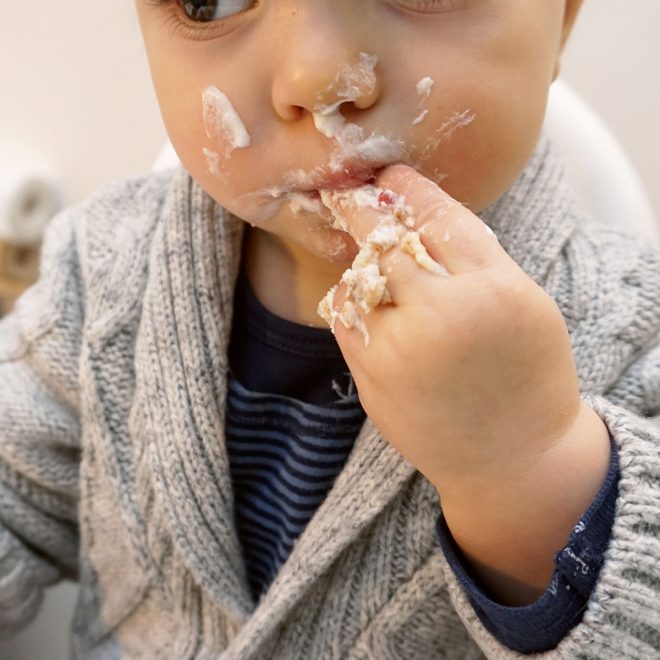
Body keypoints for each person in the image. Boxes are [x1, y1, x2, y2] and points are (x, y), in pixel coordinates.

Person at [1, 0, 658, 657]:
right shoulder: (101, 273)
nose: (318, 79)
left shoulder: (637, 339)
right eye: (212, 2)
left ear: (563, 21)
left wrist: (533, 469)